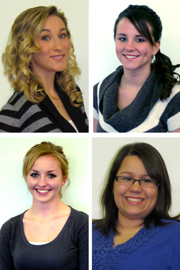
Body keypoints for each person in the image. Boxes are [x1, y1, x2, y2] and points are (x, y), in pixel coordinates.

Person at [0, 141, 88, 269]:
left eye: (51, 175)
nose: (42, 183)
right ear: (26, 177)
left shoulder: (81, 224)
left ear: (63, 178)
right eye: (34, 174)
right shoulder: (9, 229)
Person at [0, 6, 88, 132]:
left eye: (62, 35)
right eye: (46, 37)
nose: (59, 46)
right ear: (26, 46)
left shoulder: (72, 93)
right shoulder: (14, 111)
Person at [92, 142, 180, 269]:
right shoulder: (87, 231)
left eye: (147, 180)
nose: (135, 188)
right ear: (112, 185)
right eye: (126, 178)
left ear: (159, 189)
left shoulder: (175, 236)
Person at [93, 4, 180, 132]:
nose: (129, 47)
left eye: (139, 40)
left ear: (155, 46)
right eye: (122, 38)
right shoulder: (98, 91)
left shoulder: (174, 97)